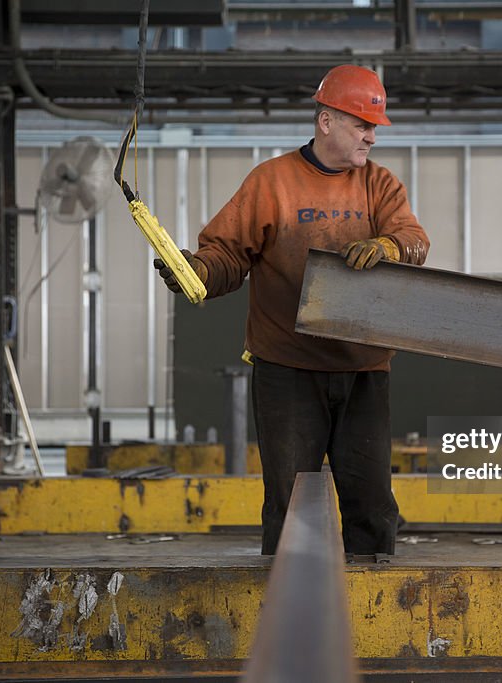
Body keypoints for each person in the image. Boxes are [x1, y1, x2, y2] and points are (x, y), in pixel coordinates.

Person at [154, 64, 430, 555]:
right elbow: (226, 254)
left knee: (371, 505)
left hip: (364, 369)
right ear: (327, 121)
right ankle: (287, 612)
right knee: (289, 506)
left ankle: (373, 617)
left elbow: (413, 240)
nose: (372, 137)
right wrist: (194, 272)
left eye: (374, 127)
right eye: (363, 125)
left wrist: (389, 247)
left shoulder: (380, 185)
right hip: (287, 371)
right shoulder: (270, 183)